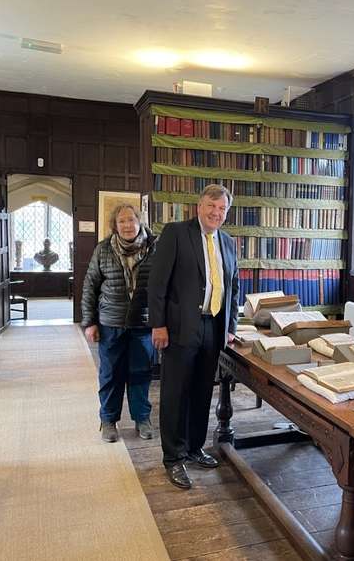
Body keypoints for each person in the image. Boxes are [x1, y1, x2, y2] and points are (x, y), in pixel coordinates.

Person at [148, 184, 239, 490]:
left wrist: (231, 326)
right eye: (211, 206)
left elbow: (233, 288)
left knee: (202, 391)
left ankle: (194, 447)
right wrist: (158, 325)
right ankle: (173, 458)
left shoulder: (227, 242)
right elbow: (157, 284)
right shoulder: (176, 233)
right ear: (199, 207)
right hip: (179, 328)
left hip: (214, 327)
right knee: (175, 393)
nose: (216, 213)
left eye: (222, 209)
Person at [81, 204, 156, 443]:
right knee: (110, 374)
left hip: (142, 323)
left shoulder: (154, 248)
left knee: (140, 374)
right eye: (122, 221)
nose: (127, 225)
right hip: (110, 323)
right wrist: (89, 322)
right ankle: (108, 421)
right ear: (115, 225)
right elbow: (90, 287)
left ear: (139, 221)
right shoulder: (103, 250)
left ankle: (142, 419)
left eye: (131, 220)